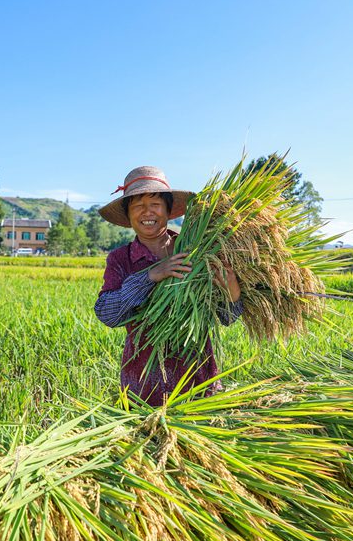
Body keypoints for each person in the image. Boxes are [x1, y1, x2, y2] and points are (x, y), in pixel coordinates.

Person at [94, 166, 244, 407]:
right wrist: (151, 276)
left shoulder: (197, 251)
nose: (147, 212)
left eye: (154, 204)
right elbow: (107, 314)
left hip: (199, 380)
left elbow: (225, 317)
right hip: (143, 385)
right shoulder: (121, 259)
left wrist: (232, 290)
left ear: (167, 209)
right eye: (137, 206)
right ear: (128, 214)